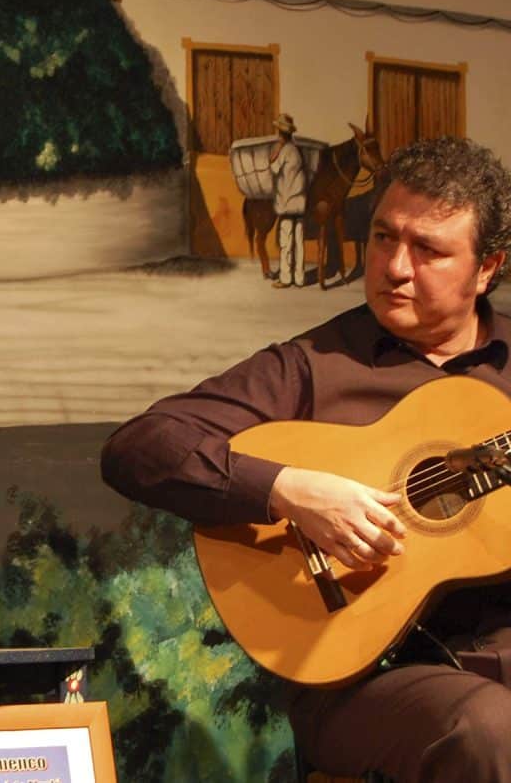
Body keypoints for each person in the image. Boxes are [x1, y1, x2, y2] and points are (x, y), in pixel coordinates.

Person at [102, 136, 511, 781]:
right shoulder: (312, 364)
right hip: (366, 677)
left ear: (488, 267)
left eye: (428, 250)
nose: (395, 267)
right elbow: (139, 447)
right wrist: (288, 489)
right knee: (491, 730)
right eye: (383, 238)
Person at [269, 113, 307, 288]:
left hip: (287, 202)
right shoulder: (296, 150)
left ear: (280, 133)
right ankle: (299, 278)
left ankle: (285, 278)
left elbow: (274, 169)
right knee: (299, 241)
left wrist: (274, 154)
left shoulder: (284, 150)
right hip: (299, 202)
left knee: (287, 241)